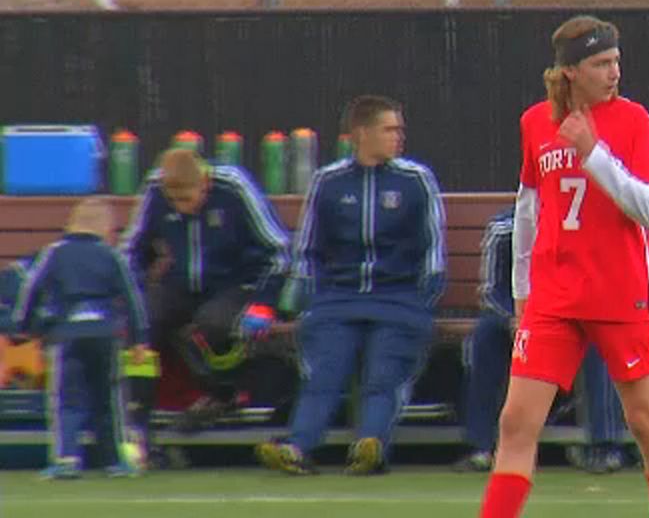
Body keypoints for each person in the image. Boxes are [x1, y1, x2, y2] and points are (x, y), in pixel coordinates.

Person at [478, 15, 649, 517]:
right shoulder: (536, 122)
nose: (613, 72)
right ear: (571, 71)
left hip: (618, 291)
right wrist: (523, 289)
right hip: (554, 295)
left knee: (643, 419)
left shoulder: (634, 120)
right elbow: (528, 207)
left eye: (615, 60)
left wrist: (593, 154)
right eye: (600, 63)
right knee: (516, 422)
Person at [257, 94, 446, 476]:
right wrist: (312, 301)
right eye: (390, 129)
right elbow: (307, 250)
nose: (399, 137)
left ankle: (371, 447)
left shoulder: (416, 181)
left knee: (383, 376)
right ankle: (297, 449)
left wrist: (422, 302)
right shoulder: (327, 182)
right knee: (324, 374)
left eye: (399, 129)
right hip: (336, 302)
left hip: (399, 300)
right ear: (361, 133)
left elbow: (433, 252)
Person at [118, 148, 290, 453]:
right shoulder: (155, 188)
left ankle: (225, 394)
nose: (181, 209)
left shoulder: (234, 187)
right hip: (179, 283)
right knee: (142, 324)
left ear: (205, 183)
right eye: (174, 202)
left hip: (235, 283)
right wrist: (134, 296)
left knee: (212, 323)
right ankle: (137, 421)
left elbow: (279, 250)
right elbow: (130, 251)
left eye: (187, 200)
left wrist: (264, 302)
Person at [455, 209, 629, 475]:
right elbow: (491, 292)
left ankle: (605, 446)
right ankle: (480, 447)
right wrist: (519, 318)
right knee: (485, 334)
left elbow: (601, 282)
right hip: (518, 316)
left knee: (602, 338)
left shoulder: (586, 227)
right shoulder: (503, 229)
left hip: (574, 313)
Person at [11, 197, 149, 479]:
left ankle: (67, 459)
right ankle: (115, 461)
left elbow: (31, 290)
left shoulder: (55, 253)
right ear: (107, 229)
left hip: (66, 336)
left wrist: (22, 326)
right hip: (105, 335)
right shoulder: (112, 255)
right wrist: (139, 339)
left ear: (71, 223)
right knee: (109, 398)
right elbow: (133, 298)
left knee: (66, 399)